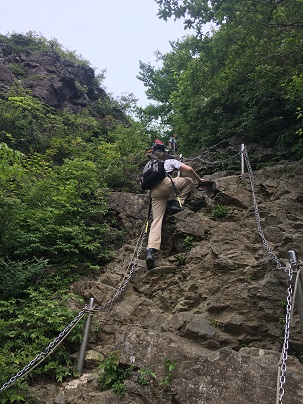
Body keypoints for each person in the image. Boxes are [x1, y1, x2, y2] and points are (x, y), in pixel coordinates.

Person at [146, 149, 205, 270]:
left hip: (154, 191)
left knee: (157, 219)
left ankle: (150, 250)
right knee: (188, 181)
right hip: (166, 183)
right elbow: (188, 169)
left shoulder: (154, 164)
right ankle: (178, 204)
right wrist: (198, 180)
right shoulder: (171, 160)